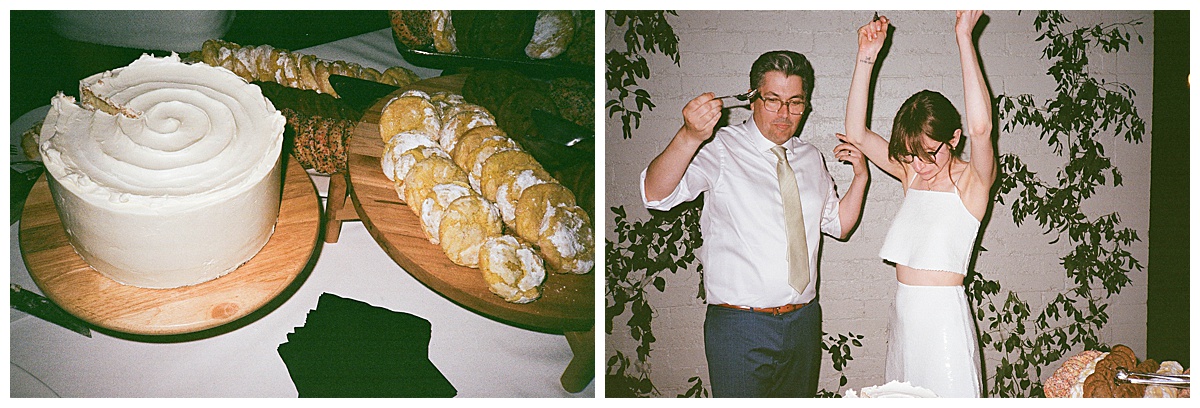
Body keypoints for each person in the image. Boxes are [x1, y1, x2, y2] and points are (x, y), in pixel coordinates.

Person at [641, 50, 870, 397]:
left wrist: (862, 177)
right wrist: (689, 135)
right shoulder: (719, 148)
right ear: (752, 99)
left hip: (804, 322)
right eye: (773, 100)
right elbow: (654, 195)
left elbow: (839, 225)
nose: (784, 114)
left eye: (795, 102)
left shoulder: (811, 158)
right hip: (739, 327)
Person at [838, 11, 994, 397]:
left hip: (944, 326)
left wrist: (964, 38)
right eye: (910, 155)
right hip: (904, 319)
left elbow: (981, 128)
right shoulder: (912, 175)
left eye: (928, 153)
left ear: (953, 138)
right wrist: (866, 56)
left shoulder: (972, 184)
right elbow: (856, 132)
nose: (920, 165)